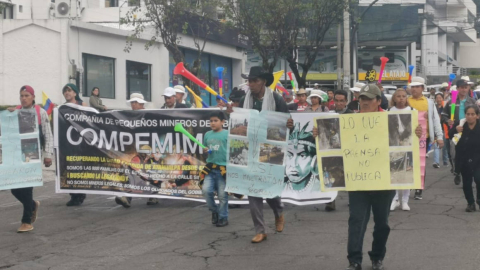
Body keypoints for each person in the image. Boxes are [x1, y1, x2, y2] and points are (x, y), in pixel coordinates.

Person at [346, 84, 423, 270]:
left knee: (382, 224)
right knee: (356, 221)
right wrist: (319, 133)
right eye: (362, 98)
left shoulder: (392, 120)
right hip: (358, 182)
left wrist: (416, 134)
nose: (364, 102)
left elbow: (404, 144)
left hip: (384, 182)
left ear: (378, 101)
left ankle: (377, 257)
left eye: (369, 98)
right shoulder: (350, 121)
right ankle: (354, 260)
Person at [236, 66, 293, 243]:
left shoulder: (276, 98)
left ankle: (278, 211)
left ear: (263, 82)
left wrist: (290, 124)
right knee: (253, 190)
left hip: (271, 147)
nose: (250, 84)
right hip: (250, 148)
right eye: (249, 81)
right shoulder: (243, 100)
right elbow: (238, 122)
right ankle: (260, 230)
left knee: (269, 188)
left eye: (254, 81)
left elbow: (287, 122)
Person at [7, 86, 54, 232]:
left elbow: (47, 134)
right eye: (21, 95)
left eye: (26, 95)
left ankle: (26, 221)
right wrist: (8, 115)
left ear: (33, 97)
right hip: (17, 155)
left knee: (27, 188)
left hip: (33, 155)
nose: (23, 98)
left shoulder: (41, 112)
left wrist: (48, 155)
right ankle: (33, 205)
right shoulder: (16, 111)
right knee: (14, 188)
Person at [115, 93, 160, 208]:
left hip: (150, 150)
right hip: (136, 151)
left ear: (141, 104)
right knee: (130, 171)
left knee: (150, 173)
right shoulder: (128, 116)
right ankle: (127, 197)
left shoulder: (150, 115)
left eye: (135, 102)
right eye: (132, 102)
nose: (133, 105)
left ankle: (153, 195)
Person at [408, 77, 444, 200]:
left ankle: (419, 188)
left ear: (422, 88)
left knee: (420, 163)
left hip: (424, 138)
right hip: (408, 138)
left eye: (417, 87)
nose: (414, 89)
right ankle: (408, 186)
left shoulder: (428, 102)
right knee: (408, 163)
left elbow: (435, 120)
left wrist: (439, 137)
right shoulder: (407, 101)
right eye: (412, 87)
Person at [441, 79, 476, 185]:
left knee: (470, 152)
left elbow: (477, 115)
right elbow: (443, 115)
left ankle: (468, 172)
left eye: (466, 87)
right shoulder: (451, 102)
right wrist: (448, 121)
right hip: (455, 130)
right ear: (457, 89)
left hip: (469, 130)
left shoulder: (472, 101)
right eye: (462, 87)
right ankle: (457, 171)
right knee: (453, 153)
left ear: (468, 88)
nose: (464, 89)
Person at [201, 111, 229, 227]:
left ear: (223, 122)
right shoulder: (207, 134)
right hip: (210, 169)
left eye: (215, 121)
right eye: (211, 121)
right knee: (206, 191)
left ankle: (223, 217)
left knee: (223, 196)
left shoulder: (227, 134)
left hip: (223, 169)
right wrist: (205, 151)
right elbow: (205, 151)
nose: (213, 123)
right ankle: (214, 211)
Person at [449, 105, 480, 212]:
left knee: (478, 178)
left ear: (477, 116)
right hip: (463, 158)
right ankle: (470, 203)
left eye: (473, 114)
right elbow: (450, 135)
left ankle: (479, 198)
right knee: (467, 183)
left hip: (478, 158)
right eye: (468, 114)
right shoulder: (461, 124)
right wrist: (455, 130)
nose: (470, 117)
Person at [387, 88, 414, 212]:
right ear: (394, 98)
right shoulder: (389, 111)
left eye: (404, 96)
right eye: (399, 96)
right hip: (393, 146)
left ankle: (405, 201)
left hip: (409, 145)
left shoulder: (412, 111)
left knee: (408, 172)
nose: (401, 98)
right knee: (395, 171)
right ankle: (395, 199)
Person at [63, 83, 87, 206]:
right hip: (68, 142)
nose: (67, 93)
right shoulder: (62, 108)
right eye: (65, 91)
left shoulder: (82, 105)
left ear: (75, 93)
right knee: (69, 169)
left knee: (78, 168)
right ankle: (73, 195)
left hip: (80, 142)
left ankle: (80, 193)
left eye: (70, 90)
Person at [433, 93, 449, 168]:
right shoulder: (434, 107)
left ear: (442, 98)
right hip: (435, 128)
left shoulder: (445, 107)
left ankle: (445, 161)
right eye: (437, 98)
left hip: (444, 128)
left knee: (444, 146)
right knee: (436, 146)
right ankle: (436, 162)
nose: (438, 99)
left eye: (440, 97)